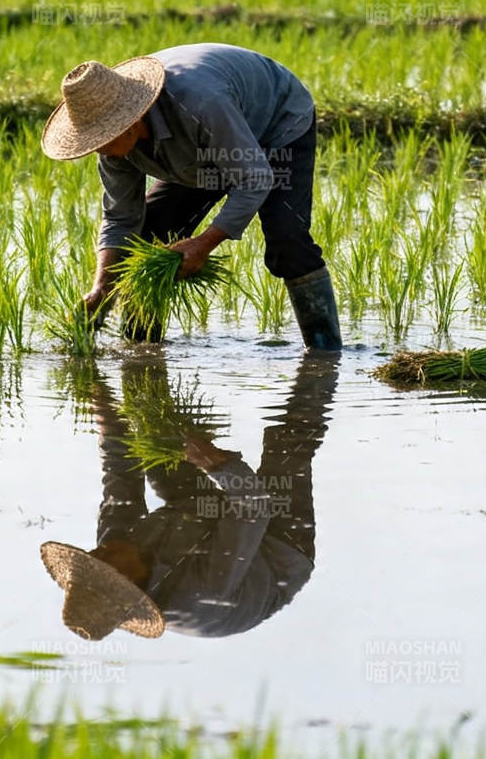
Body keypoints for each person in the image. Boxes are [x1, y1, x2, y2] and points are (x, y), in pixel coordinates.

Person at [39, 43, 342, 350]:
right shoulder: (114, 149)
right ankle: (142, 353)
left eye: (102, 138)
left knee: (288, 240)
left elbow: (254, 177)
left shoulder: (200, 104)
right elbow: (121, 217)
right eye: (91, 140)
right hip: (204, 149)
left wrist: (203, 244)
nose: (97, 149)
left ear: (130, 121)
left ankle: (325, 354)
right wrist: (101, 288)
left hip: (275, 125)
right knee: (148, 237)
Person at [39, 353, 339, 639]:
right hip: (275, 550)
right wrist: (212, 459)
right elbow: (254, 506)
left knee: (156, 439)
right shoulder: (202, 592)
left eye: (92, 556)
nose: (100, 549)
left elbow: (121, 467)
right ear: (129, 581)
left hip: (194, 519)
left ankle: (145, 347)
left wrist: (98, 394)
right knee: (286, 448)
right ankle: (323, 361)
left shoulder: (113, 547)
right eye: (103, 560)